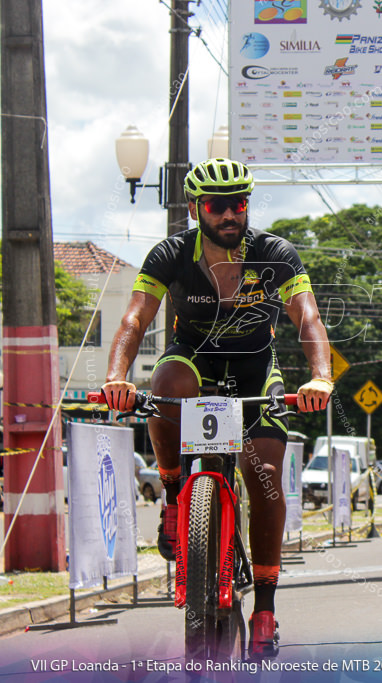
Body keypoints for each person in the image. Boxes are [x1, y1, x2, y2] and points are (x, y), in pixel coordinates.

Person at [101, 158, 333, 658]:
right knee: (164, 384)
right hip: (195, 364)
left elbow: (307, 317)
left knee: (266, 471)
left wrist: (321, 376)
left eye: (239, 203)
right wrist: (117, 377)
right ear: (194, 208)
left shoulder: (276, 253)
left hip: (255, 371)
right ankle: (171, 495)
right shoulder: (171, 253)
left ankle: (266, 606)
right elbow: (135, 318)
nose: (230, 214)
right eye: (217, 205)